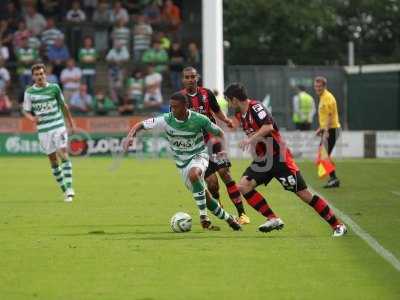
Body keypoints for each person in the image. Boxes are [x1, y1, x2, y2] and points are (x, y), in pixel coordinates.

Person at [224, 82, 347, 237]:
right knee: (243, 186)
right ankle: (273, 218)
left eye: (228, 100)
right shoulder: (239, 115)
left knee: (304, 194)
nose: (228, 103)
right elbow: (232, 125)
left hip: (279, 157)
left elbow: (268, 127)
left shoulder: (256, 107)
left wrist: (250, 140)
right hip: (263, 161)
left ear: (235, 100)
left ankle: (338, 225)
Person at [124, 92, 241, 231]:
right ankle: (229, 219)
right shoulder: (166, 120)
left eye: (176, 107)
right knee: (207, 199)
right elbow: (140, 125)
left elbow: (220, 133)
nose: (172, 110)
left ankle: (203, 217)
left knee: (194, 174)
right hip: (181, 165)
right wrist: (130, 136)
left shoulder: (200, 119)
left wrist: (223, 150)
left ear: (185, 106)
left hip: (199, 155)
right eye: (171, 107)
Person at [181, 67, 250, 225]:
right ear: (183, 79)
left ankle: (242, 214)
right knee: (212, 184)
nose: (190, 79)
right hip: (196, 147)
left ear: (197, 77)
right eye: (187, 77)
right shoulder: (179, 98)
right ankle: (224, 214)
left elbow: (217, 110)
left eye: (193, 76)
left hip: (213, 140)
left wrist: (225, 120)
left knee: (225, 173)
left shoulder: (206, 94)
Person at [22, 63, 77, 202]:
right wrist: (32, 118)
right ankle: (64, 190)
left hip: (58, 125)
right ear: (33, 77)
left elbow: (64, 106)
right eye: (37, 74)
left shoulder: (54, 88)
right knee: (53, 160)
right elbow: (25, 110)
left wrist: (71, 123)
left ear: (45, 74)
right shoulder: (29, 92)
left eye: (41, 73)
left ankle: (70, 188)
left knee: (62, 152)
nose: (40, 76)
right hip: (43, 130)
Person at [314, 76, 341, 188]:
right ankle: (333, 178)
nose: (317, 88)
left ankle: (334, 178)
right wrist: (321, 128)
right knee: (324, 155)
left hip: (331, 130)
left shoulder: (327, 97)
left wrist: (326, 130)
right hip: (328, 129)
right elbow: (327, 115)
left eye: (319, 86)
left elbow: (330, 115)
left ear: (324, 86)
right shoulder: (323, 97)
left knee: (323, 155)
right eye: (316, 86)